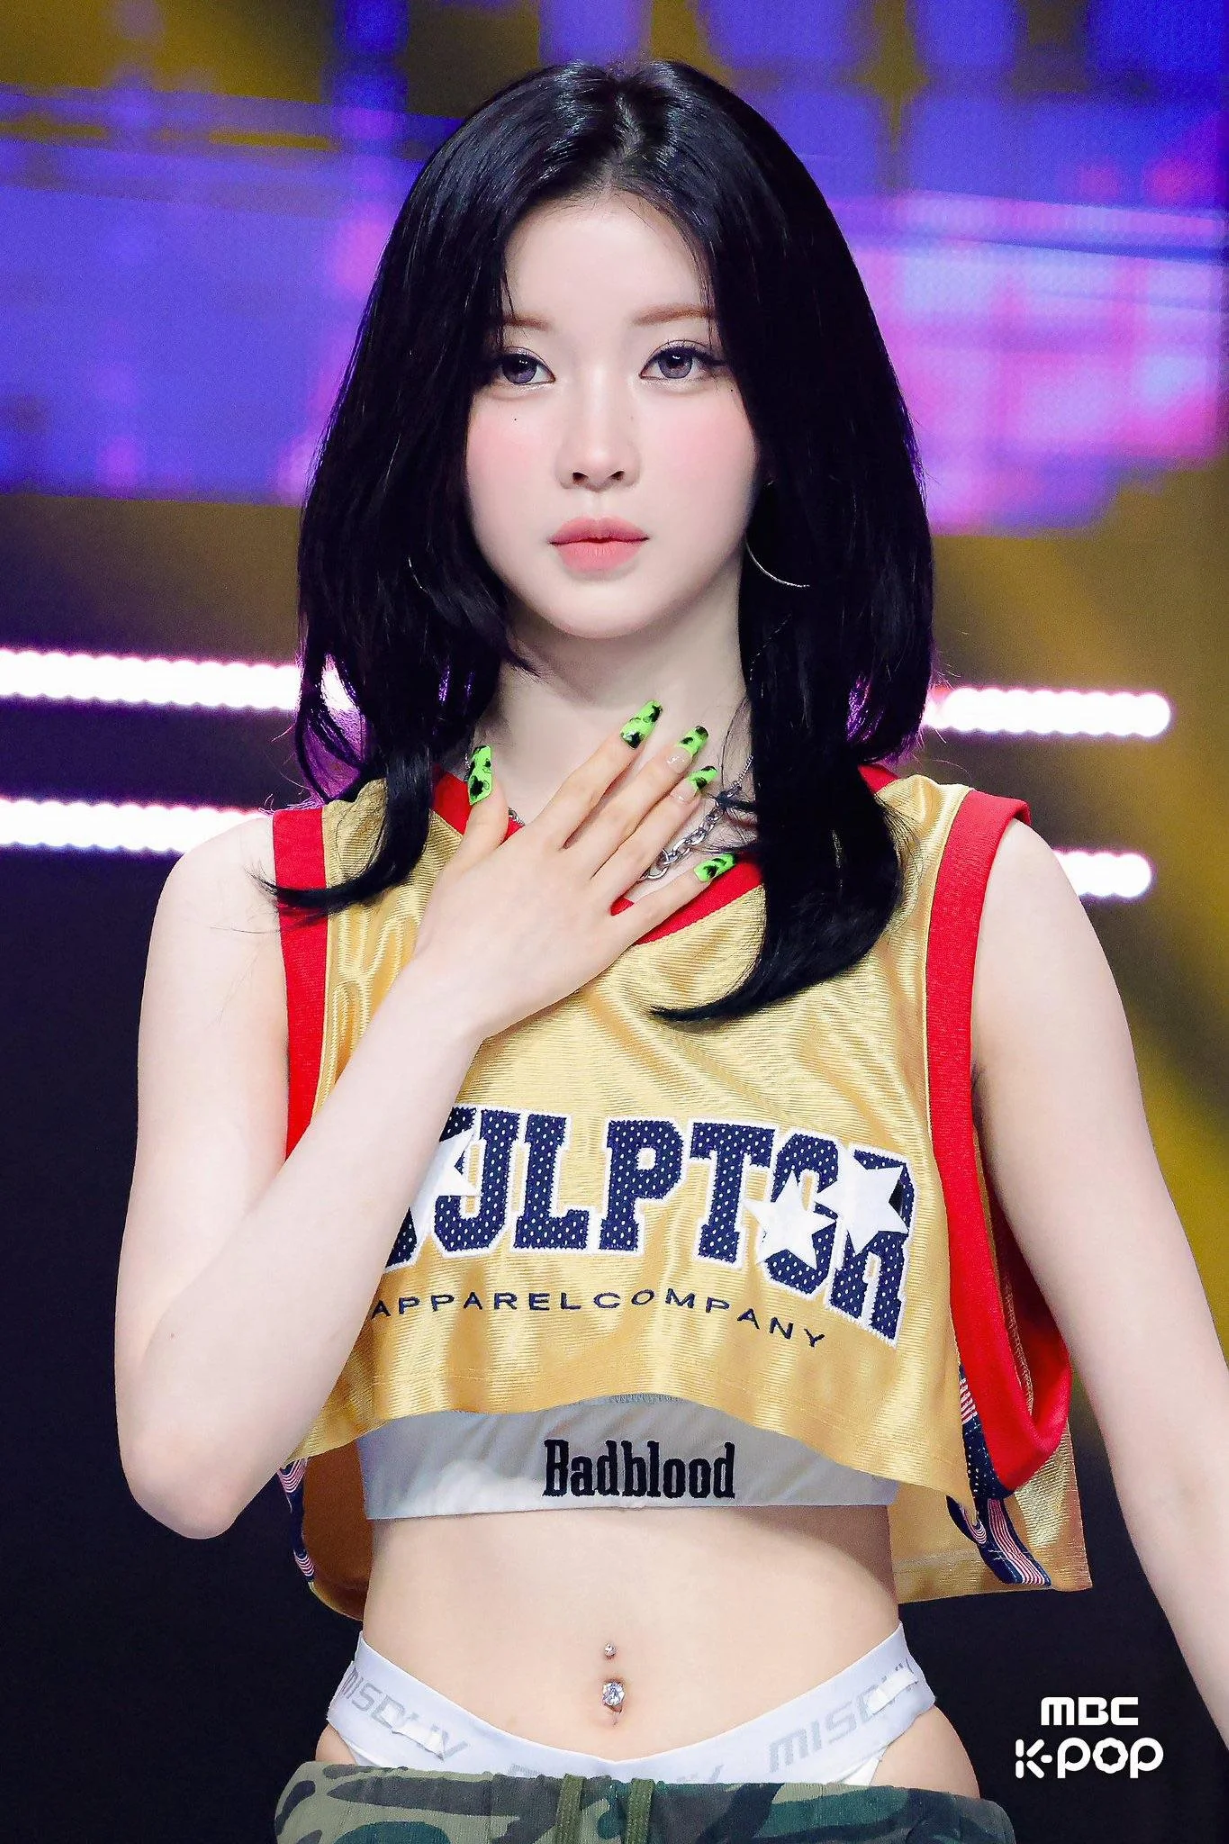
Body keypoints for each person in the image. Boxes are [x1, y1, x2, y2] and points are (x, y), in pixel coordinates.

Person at [114, 58, 1229, 1844]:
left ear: (784, 403)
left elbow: (1189, 1465)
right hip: (415, 1781)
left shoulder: (964, 897)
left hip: (847, 1779)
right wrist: (452, 992)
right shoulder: (264, 907)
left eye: (679, 359)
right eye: (517, 364)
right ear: (431, 411)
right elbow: (185, 1458)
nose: (595, 445)